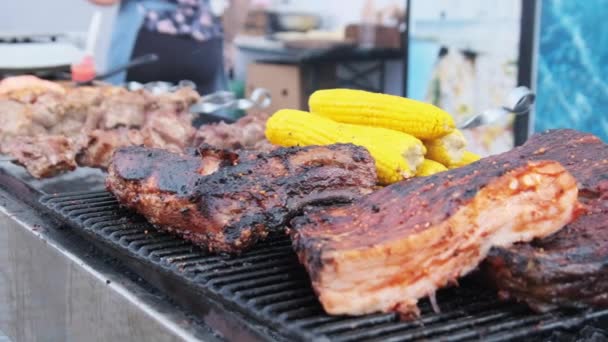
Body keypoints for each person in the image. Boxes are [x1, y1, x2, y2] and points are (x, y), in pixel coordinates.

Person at [90, 0, 246, 96]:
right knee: (202, 132)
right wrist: (229, 41)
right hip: (203, 47)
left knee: (125, 124)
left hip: (149, 44)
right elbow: (240, 4)